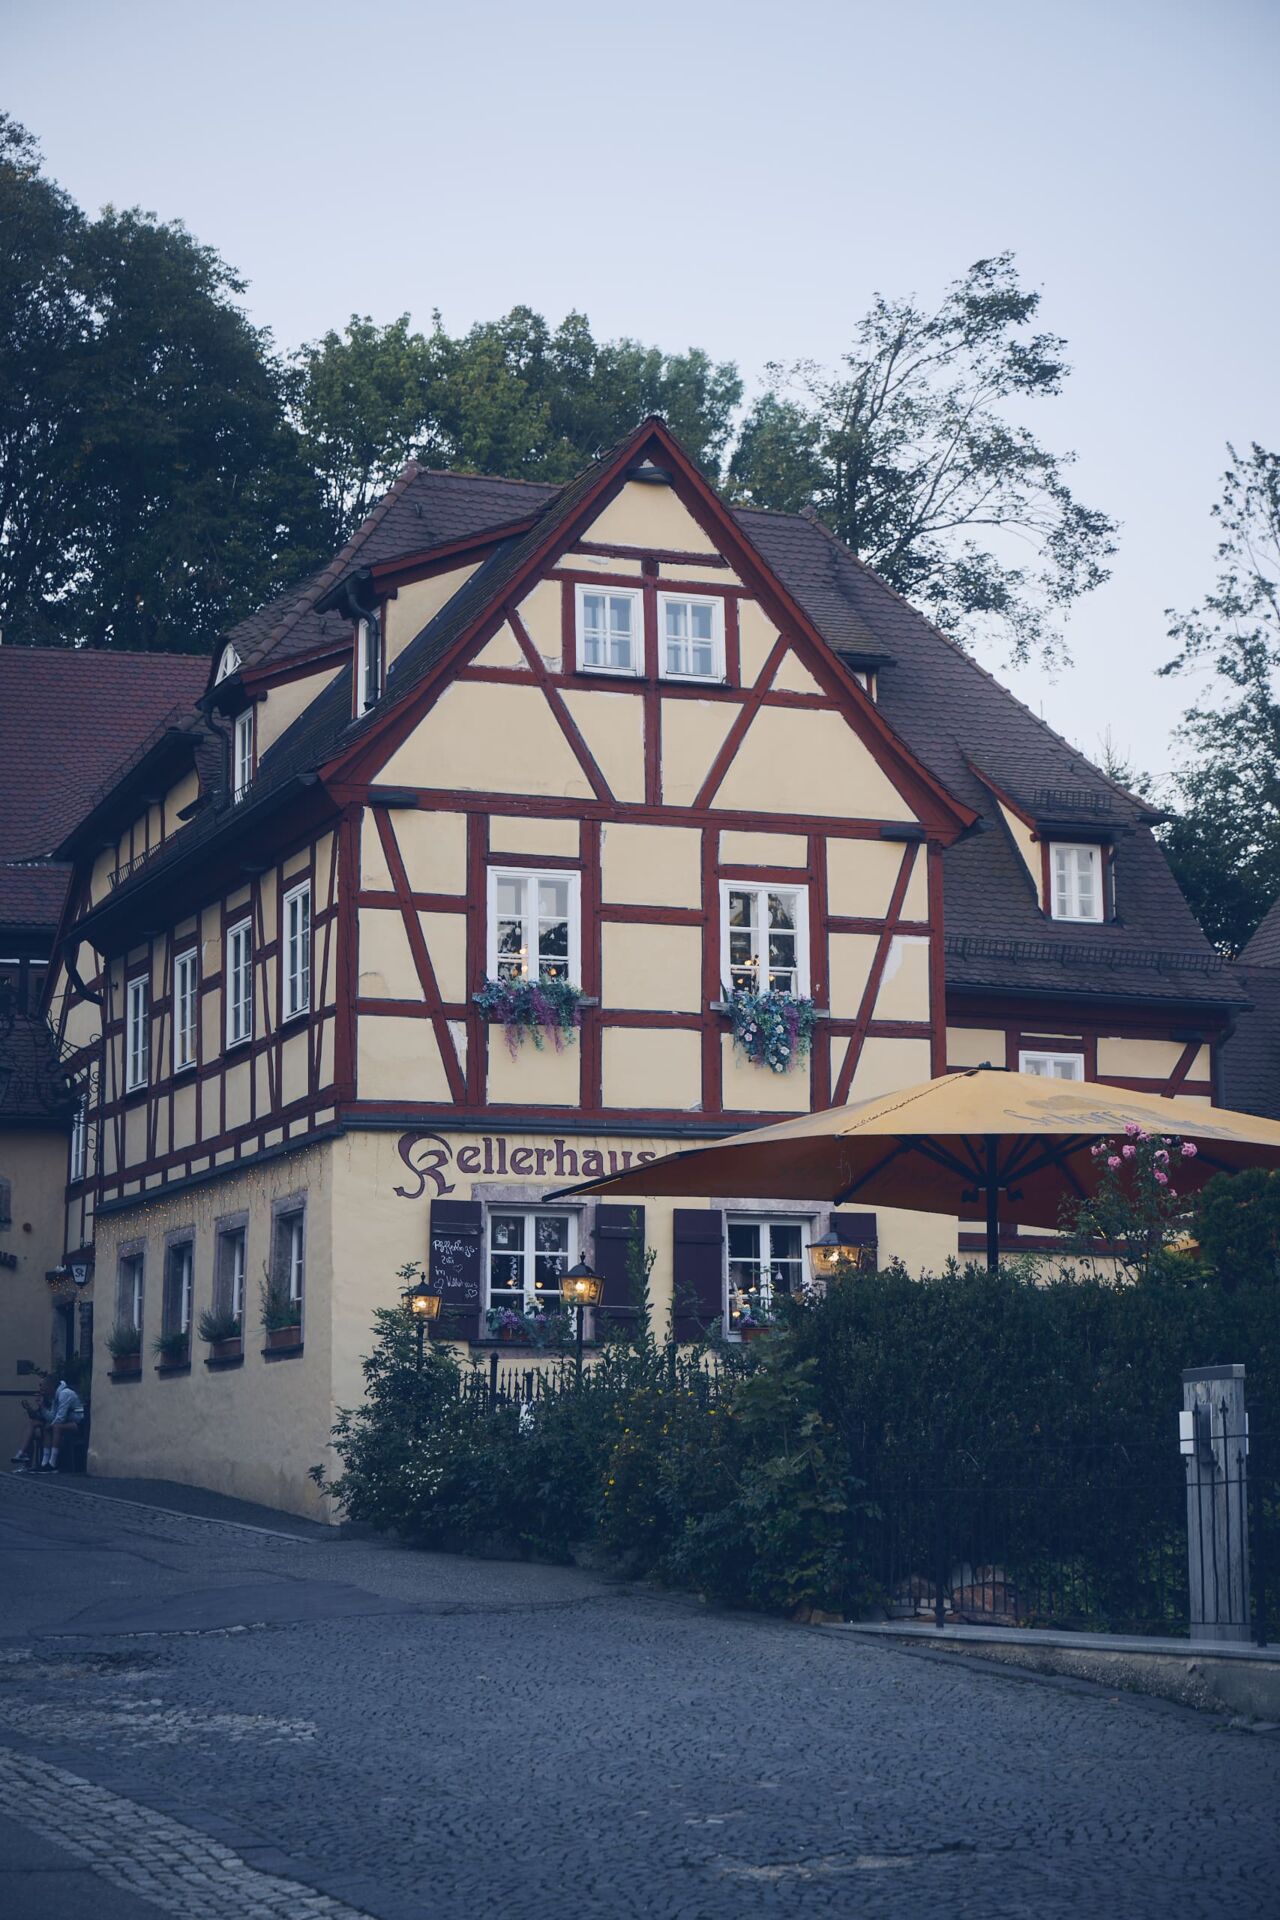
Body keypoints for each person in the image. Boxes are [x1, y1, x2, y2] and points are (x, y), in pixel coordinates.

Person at [35, 1374, 84, 1471]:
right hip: (69, 1422)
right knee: (49, 1427)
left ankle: (52, 1463)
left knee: (56, 1427)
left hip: (80, 1423)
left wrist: (51, 1425)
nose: (42, 1390)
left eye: (44, 1387)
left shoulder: (64, 1394)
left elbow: (60, 1417)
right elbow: (52, 1416)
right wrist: (42, 1407)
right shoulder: (56, 1396)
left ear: (51, 1386)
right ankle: (44, 1463)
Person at [11, 1381, 55, 1470]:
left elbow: (50, 1418)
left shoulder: (54, 1399)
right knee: (32, 1431)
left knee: (31, 1425)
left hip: (51, 1425)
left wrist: (41, 1406)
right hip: (43, 1425)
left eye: (42, 1388)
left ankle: (22, 1455)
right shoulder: (45, 1398)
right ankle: (26, 1462)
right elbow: (38, 1416)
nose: (40, 1391)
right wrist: (28, 1408)